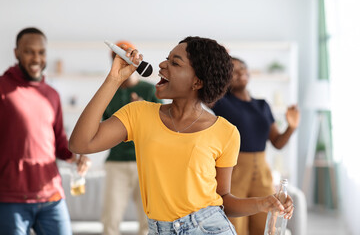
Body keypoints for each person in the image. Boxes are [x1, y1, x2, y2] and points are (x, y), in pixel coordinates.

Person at [69, 36, 294, 235]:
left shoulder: (226, 132)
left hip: (209, 227)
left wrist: (263, 203)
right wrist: (114, 79)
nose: (161, 64)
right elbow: (80, 143)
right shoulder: (138, 114)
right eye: (167, 58)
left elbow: (223, 199)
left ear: (197, 82)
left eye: (174, 63)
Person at [0, 27, 91, 235]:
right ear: (16, 53)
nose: (36, 58)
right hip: (10, 198)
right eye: (29, 51)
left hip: (51, 197)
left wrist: (76, 157)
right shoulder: (2, 89)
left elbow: (60, 144)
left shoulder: (52, 95)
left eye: (41, 52)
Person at [212, 57, 300, 235]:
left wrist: (291, 127)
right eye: (233, 70)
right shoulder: (221, 102)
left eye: (243, 68)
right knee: (235, 225)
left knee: (267, 223)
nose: (240, 73)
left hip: (262, 171)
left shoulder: (262, 105)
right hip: (234, 171)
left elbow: (278, 142)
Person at [101, 41, 161, 235]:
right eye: (118, 57)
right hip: (116, 163)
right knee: (111, 218)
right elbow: (98, 129)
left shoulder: (150, 90)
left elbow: (165, 126)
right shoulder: (108, 92)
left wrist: (146, 113)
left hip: (145, 163)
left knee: (149, 220)